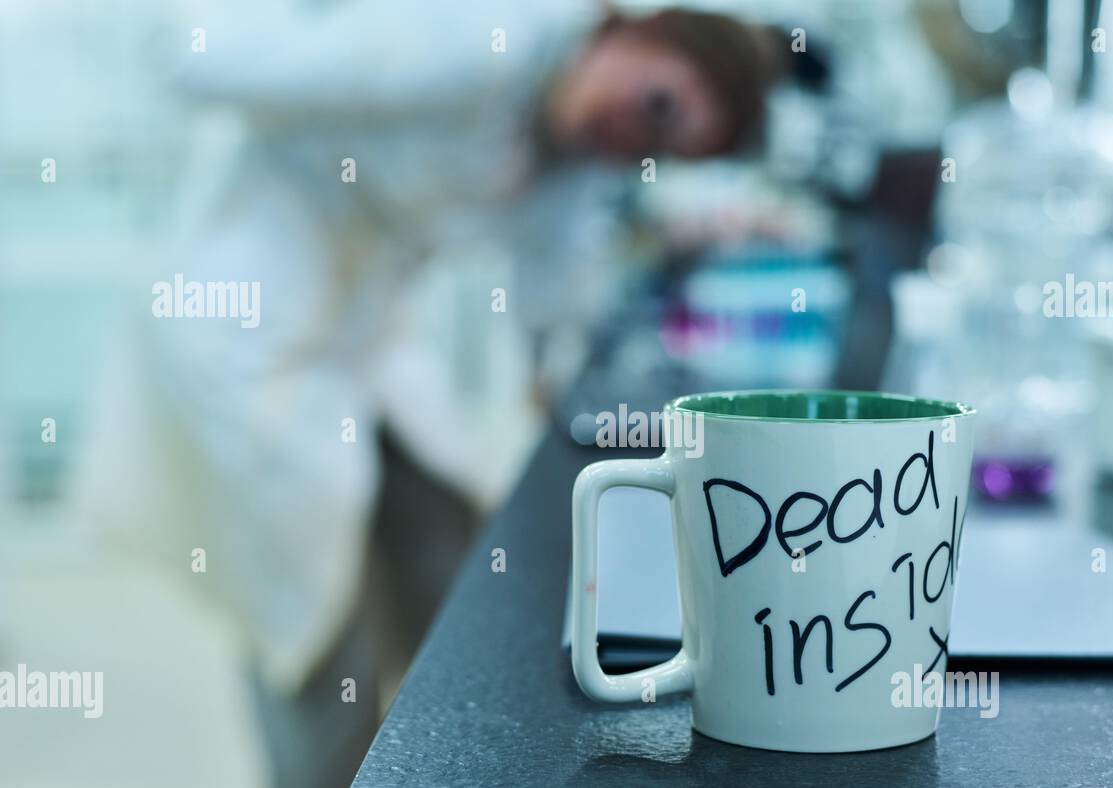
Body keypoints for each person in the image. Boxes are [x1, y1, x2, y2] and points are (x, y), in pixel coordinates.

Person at [76, 1, 782, 696]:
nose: (635, 141)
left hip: (364, 326)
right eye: (659, 106)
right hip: (249, 317)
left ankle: (452, 740)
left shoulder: (575, 141)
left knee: (448, 538)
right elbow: (194, 61)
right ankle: (344, 768)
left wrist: (550, 377)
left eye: (658, 152)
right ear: (643, 28)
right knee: (312, 609)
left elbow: (553, 270)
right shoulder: (482, 42)